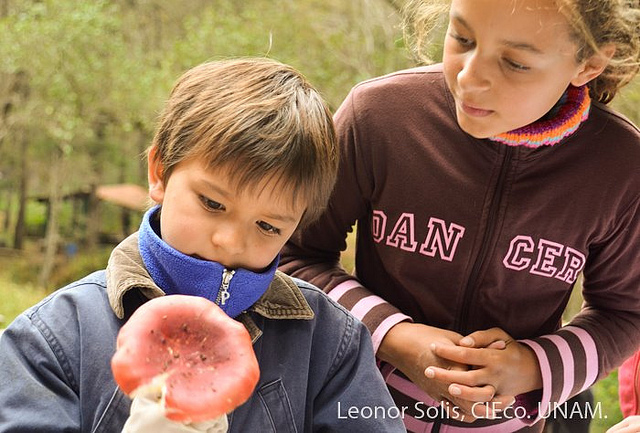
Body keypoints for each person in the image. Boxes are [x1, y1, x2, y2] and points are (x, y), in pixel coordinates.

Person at [280, 0, 640, 431]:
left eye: (515, 63)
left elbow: (626, 313)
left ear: (590, 64)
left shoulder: (623, 168)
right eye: (463, 39)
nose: (470, 77)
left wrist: (531, 367)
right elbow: (294, 257)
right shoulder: (378, 116)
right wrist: (396, 338)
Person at [0, 58, 406, 432]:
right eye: (212, 203)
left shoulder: (332, 343)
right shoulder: (50, 339)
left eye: (267, 226)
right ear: (160, 172)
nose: (228, 240)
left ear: (297, 226)